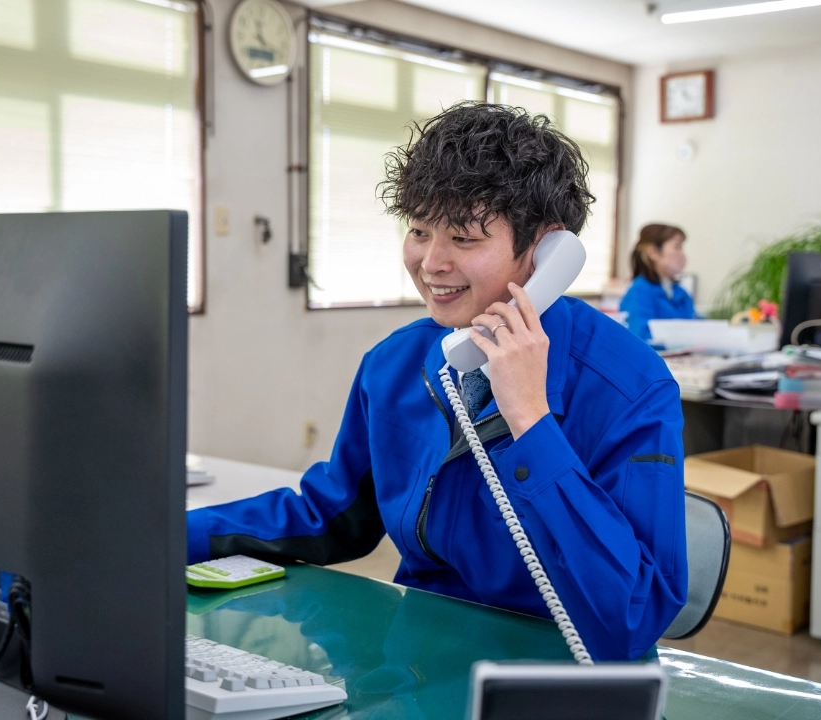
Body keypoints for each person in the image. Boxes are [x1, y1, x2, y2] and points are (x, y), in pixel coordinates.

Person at [186, 103, 687, 662]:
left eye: (465, 239)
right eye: (419, 231)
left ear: (547, 250)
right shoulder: (397, 362)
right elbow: (329, 515)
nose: (430, 262)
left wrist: (531, 422)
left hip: (558, 671)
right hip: (416, 661)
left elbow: (634, 613)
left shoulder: (630, 386)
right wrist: (156, 535)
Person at [620, 224, 698, 342]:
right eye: (677, 247)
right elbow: (640, 336)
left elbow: (695, 326)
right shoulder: (639, 291)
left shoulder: (681, 293)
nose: (682, 255)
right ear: (653, 252)